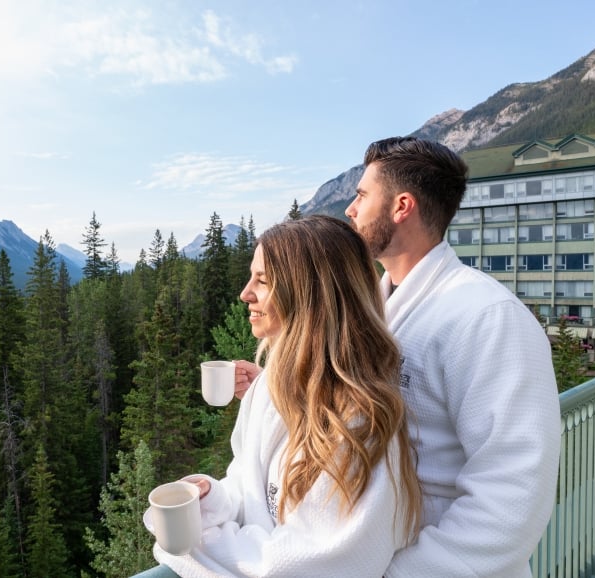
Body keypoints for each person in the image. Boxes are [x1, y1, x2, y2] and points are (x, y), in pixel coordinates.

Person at [237, 136, 561, 576]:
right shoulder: (374, 310)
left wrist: (403, 572)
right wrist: (277, 391)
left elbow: (515, 491)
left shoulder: (486, 317)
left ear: (402, 206)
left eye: (362, 195)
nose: (350, 209)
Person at [149, 215, 422, 577]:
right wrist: (210, 498)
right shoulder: (269, 388)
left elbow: (313, 565)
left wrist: (195, 544)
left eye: (262, 281)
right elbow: (248, 489)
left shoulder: (357, 424)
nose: (245, 293)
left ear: (309, 295)